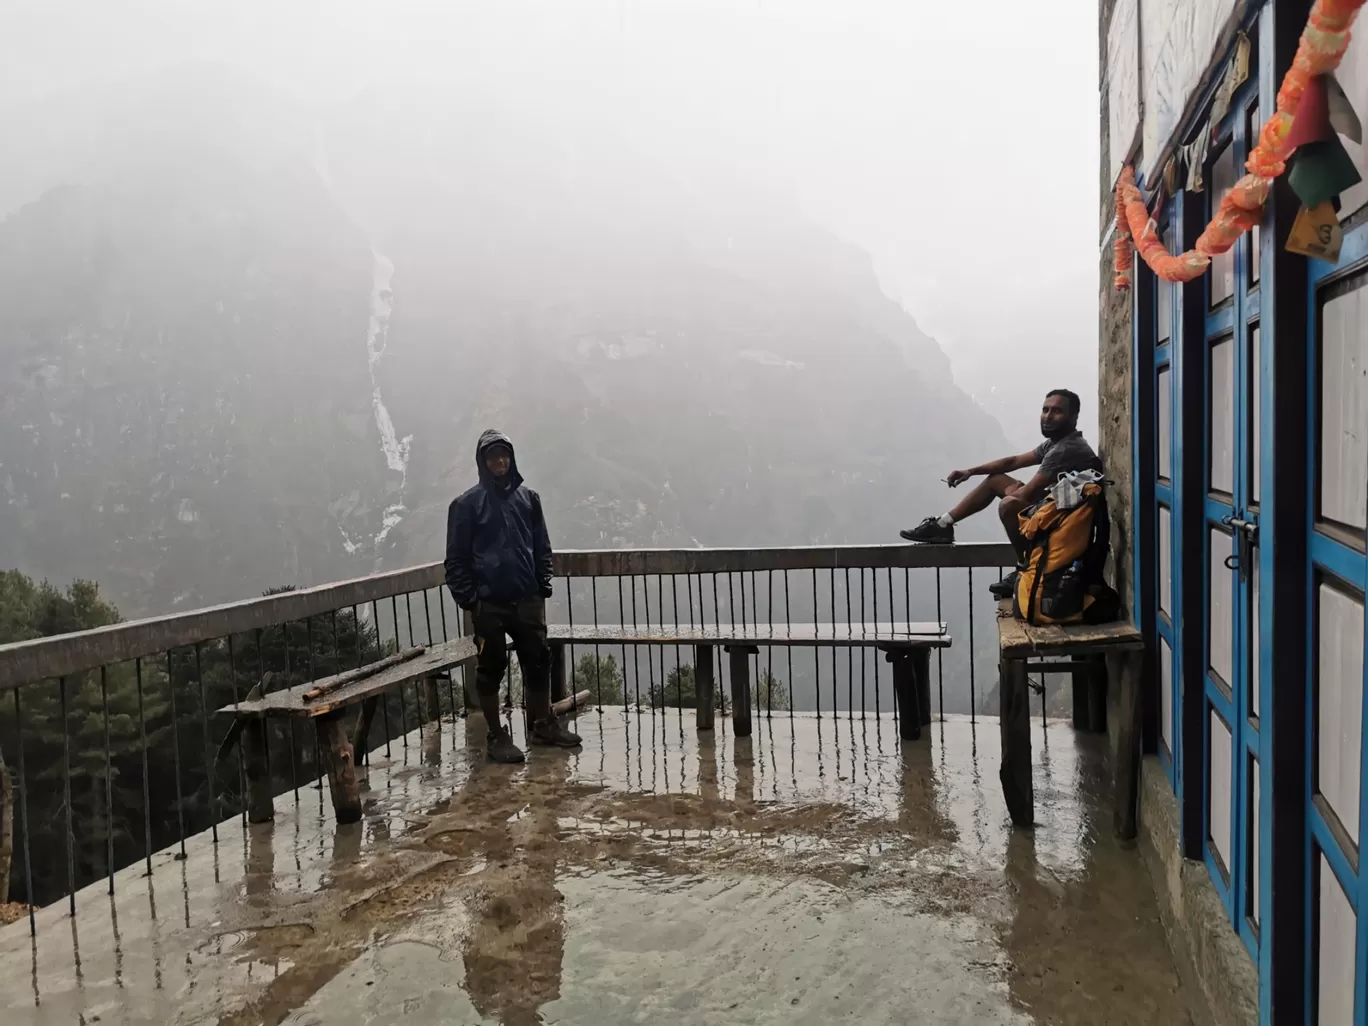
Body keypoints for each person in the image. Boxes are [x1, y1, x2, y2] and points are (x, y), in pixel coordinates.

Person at [446, 429, 581, 763]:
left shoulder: (529, 500)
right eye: (492, 456)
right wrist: (471, 600)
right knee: (491, 667)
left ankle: (543, 725)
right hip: (488, 604)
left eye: (504, 454)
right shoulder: (466, 506)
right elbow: (456, 560)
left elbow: (542, 547)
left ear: (512, 457)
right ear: (483, 462)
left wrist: (541, 585)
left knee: (538, 661)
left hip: (527, 599)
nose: (500, 461)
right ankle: (497, 735)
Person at [900, 389, 1104, 558]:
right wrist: (971, 471)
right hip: (1056, 508)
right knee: (996, 479)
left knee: (1008, 505)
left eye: (1057, 411)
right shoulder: (1056, 443)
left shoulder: (1065, 450)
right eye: (1045, 410)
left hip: (1063, 521)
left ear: (1073, 417)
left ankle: (1026, 563)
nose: (1048, 416)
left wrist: (1014, 492)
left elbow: (1026, 496)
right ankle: (942, 525)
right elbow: (1013, 462)